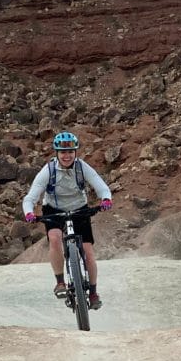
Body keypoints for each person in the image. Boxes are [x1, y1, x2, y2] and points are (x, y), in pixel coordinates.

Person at [22, 131, 113, 310]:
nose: (67, 155)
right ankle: (60, 282)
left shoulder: (82, 167)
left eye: (70, 152)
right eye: (63, 152)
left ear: (75, 152)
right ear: (56, 153)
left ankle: (93, 293)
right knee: (55, 239)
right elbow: (31, 196)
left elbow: (100, 185)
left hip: (79, 209)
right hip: (54, 210)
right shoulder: (48, 171)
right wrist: (29, 212)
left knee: (88, 252)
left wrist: (106, 199)